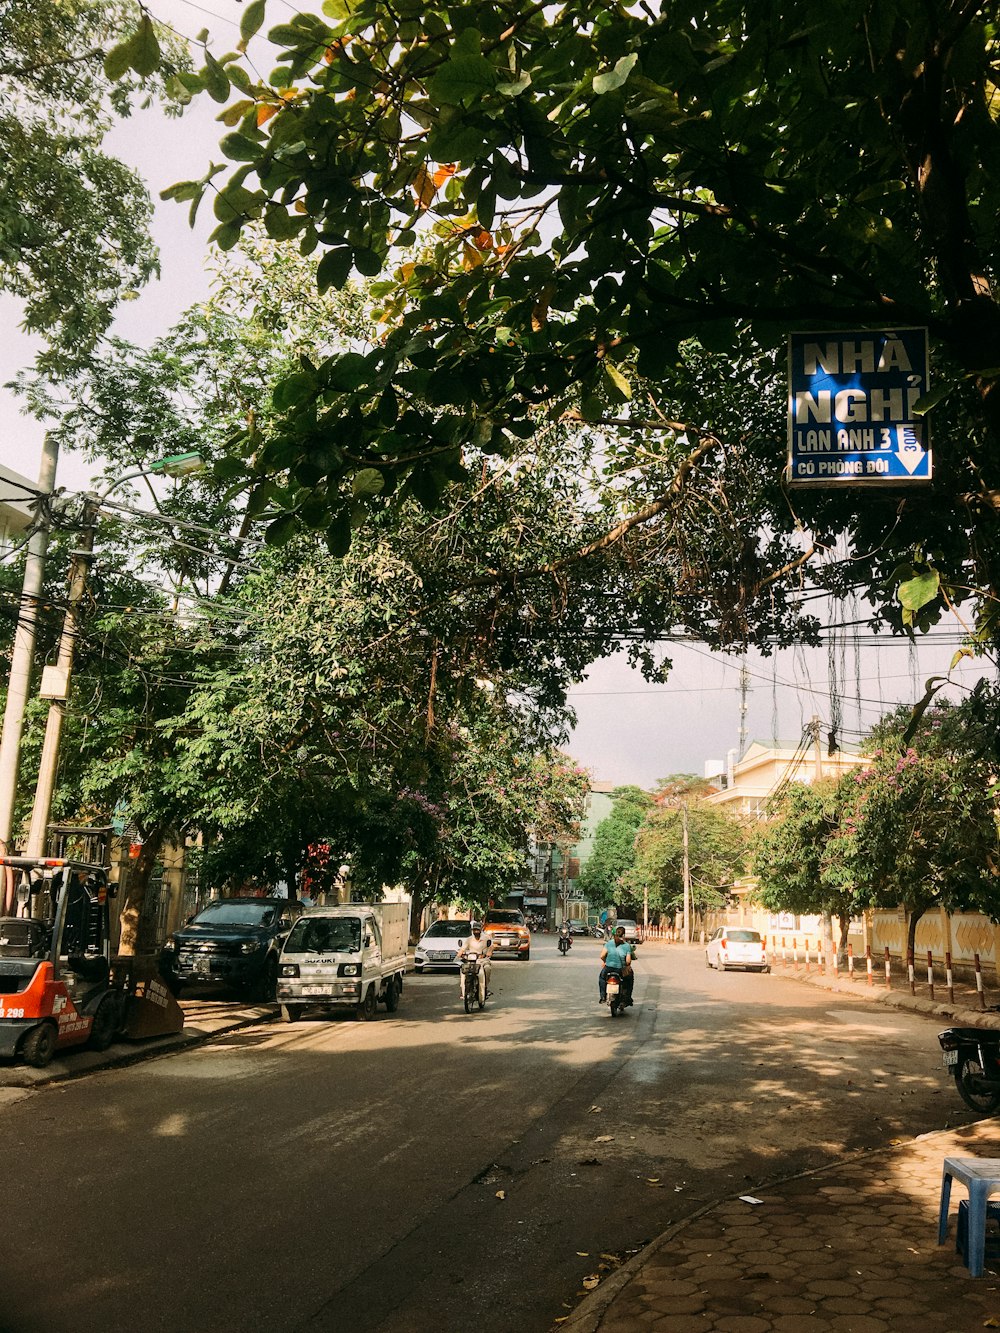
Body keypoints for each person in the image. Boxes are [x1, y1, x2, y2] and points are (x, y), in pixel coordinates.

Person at [458, 921, 493, 1004]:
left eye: (477, 930)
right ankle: (463, 990)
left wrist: (488, 953)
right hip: (471, 960)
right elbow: (462, 949)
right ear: (472, 931)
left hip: (482, 960)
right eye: (474, 930)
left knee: (487, 968)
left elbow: (491, 946)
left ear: (480, 930)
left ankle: (485, 987)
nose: (476, 931)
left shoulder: (486, 938)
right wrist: (460, 954)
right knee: (463, 971)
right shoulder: (469, 939)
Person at [599, 925, 635, 1008]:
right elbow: (628, 961)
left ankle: (603, 996)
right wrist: (626, 966)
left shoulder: (609, 943)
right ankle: (627, 998)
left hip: (608, 968)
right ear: (624, 935)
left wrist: (605, 962)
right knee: (629, 980)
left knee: (602, 978)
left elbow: (602, 956)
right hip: (620, 970)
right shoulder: (626, 946)